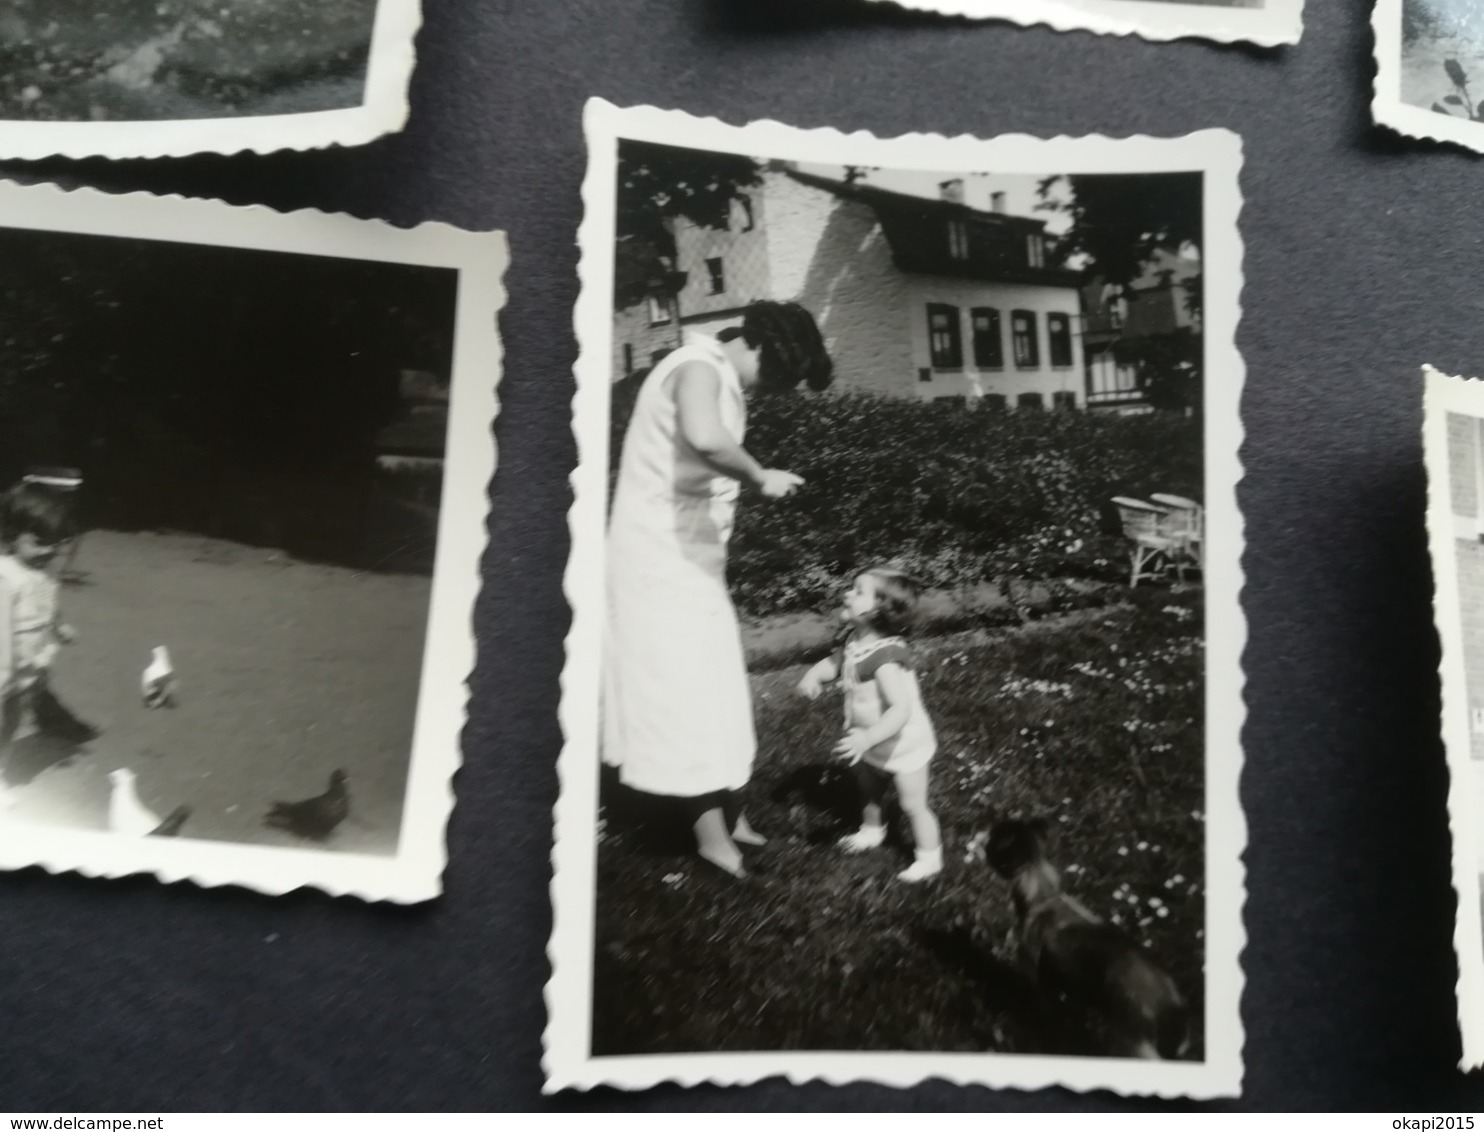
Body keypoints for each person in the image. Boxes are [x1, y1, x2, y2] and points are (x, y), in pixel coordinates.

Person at [603, 300, 833, 879]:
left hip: (687, 555)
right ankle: (707, 833)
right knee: (687, 694)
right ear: (755, 348)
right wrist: (759, 475)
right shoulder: (698, 366)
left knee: (718, 684)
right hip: (656, 557)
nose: (773, 391)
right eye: (777, 376)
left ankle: (729, 815)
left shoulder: (718, 374)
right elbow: (705, 439)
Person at [797, 567, 944, 882]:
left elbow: (901, 709)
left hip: (902, 743)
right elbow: (837, 663)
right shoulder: (856, 639)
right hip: (871, 740)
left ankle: (930, 857)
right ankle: (872, 830)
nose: (847, 593)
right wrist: (814, 675)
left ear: (881, 610)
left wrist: (867, 738)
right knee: (868, 788)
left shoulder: (886, 658)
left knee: (912, 803)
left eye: (858, 590)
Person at [0, 481, 81, 804]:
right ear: (12, 533)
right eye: (38, 542)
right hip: (3, 668)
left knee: (11, 725)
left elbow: (48, 602)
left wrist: (59, 626)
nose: (48, 551)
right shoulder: (6, 576)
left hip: (26, 671)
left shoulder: (42, 575)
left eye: (55, 544)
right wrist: (4, 672)